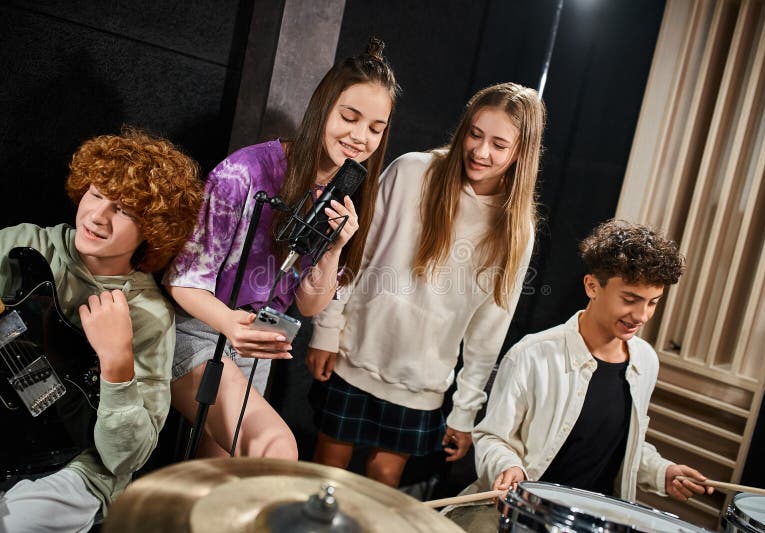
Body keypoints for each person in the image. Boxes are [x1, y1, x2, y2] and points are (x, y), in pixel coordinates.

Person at [163, 38, 400, 459]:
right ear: (323, 107)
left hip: (259, 345)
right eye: (349, 117)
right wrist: (231, 325)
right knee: (276, 449)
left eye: (376, 129)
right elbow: (182, 281)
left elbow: (308, 307)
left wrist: (333, 249)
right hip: (201, 331)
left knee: (216, 487)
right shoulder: (244, 172)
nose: (360, 137)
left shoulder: (347, 195)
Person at [306, 82, 546, 487]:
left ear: (521, 152)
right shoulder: (411, 171)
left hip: (421, 381)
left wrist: (465, 412)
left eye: (499, 145)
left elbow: (489, 329)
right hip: (354, 353)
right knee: (324, 475)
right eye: (475, 134)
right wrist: (327, 329)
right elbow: (354, 255)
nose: (481, 151)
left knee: (382, 485)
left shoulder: (517, 229)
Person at [0, 128, 203, 532]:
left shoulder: (148, 314)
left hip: (79, 461)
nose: (97, 216)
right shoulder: (24, 245)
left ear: (153, 228)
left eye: (125, 210)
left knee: (19, 521)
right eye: (96, 195)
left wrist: (117, 361)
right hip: (8, 423)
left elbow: (124, 457)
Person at [455, 220, 711, 530]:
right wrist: (509, 466)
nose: (641, 316)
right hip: (531, 516)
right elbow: (492, 436)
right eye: (630, 300)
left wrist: (661, 472)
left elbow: (619, 444)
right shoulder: (532, 355)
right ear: (592, 286)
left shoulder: (646, 361)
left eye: (652, 303)